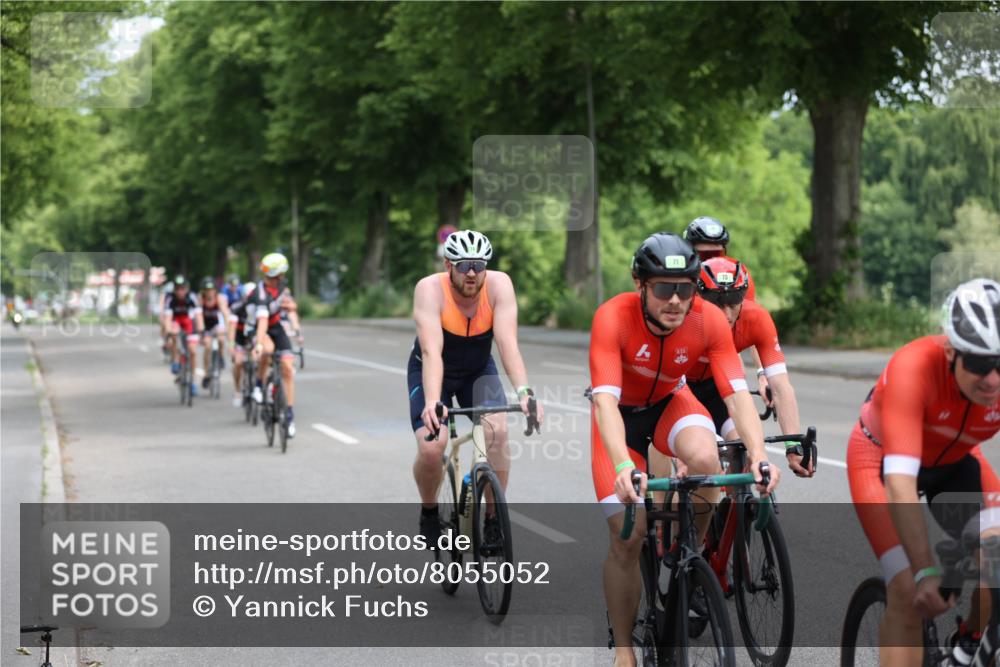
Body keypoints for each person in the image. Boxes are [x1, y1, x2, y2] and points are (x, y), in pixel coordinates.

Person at [590, 232, 778, 667]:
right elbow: (603, 401)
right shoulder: (612, 317)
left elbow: (735, 395)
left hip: (669, 404)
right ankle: (623, 649)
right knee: (629, 536)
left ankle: (684, 551)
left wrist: (760, 455)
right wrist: (622, 465)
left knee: (708, 460)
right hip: (618, 417)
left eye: (685, 289)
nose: (675, 301)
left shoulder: (707, 320)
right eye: (663, 289)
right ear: (641, 285)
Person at [848, 278, 1000, 666]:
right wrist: (924, 571)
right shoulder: (913, 367)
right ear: (951, 351)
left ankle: (967, 646)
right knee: (906, 592)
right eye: (980, 363)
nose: (993, 380)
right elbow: (900, 482)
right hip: (881, 462)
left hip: (956, 464)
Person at [409, 229, 543, 547]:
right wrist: (431, 402)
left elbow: (508, 343)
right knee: (432, 447)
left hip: (477, 370)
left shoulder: (499, 286)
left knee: (498, 431)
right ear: (448, 265)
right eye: (464, 265)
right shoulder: (429, 290)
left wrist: (524, 392)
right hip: (433, 369)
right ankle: (429, 511)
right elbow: (431, 352)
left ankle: (494, 519)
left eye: (479, 265)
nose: (472, 273)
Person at [687, 256, 812, 476]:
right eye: (716, 303)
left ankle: (739, 504)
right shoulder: (685, 319)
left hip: (719, 390)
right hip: (683, 391)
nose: (725, 314)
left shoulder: (757, 319)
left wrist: (793, 446)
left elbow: (781, 387)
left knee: (742, 445)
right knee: (694, 455)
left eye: (733, 302)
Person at [251, 253, 303, 438]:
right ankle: (259, 385)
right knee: (267, 350)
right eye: (277, 276)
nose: (280, 279)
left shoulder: (283, 289)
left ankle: (289, 416)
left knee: (288, 368)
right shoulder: (260, 293)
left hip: (277, 328)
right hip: (259, 327)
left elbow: (291, 309)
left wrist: (297, 330)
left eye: (281, 275)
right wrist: (258, 343)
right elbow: (263, 321)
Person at [161, 275, 204, 396]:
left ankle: (193, 382)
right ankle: (175, 359)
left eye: (183, 288)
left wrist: (201, 330)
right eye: (178, 289)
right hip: (176, 321)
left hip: (188, 321)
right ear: (174, 289)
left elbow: (199, 316)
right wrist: (168, 332)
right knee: (174, 333)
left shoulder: (192, 297)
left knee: (193, 351)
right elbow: (168, 318)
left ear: (187, 289)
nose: (180, 291)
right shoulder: (170, 298)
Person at [198, 278, 232, 390]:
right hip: (205, 325)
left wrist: (227, 328)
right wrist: (201, 332)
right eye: (207, 290)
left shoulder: (219, 298)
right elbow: (198, 316)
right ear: (203, 291)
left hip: (216, 324)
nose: (209, 292)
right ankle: (207, 373)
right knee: (207, 347)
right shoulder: (200, 299)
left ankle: (221, 357)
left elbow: (225, 313)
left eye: (211, 289)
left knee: (221, 340)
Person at [228, 281, 256, 408]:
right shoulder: (237, 307)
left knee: (262, 359)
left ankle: (263, 387)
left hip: (254, 338)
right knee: (238, 363)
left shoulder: (260, 307)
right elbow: (232, 327)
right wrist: (231, 344)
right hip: (240, 338)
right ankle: (238, 390)